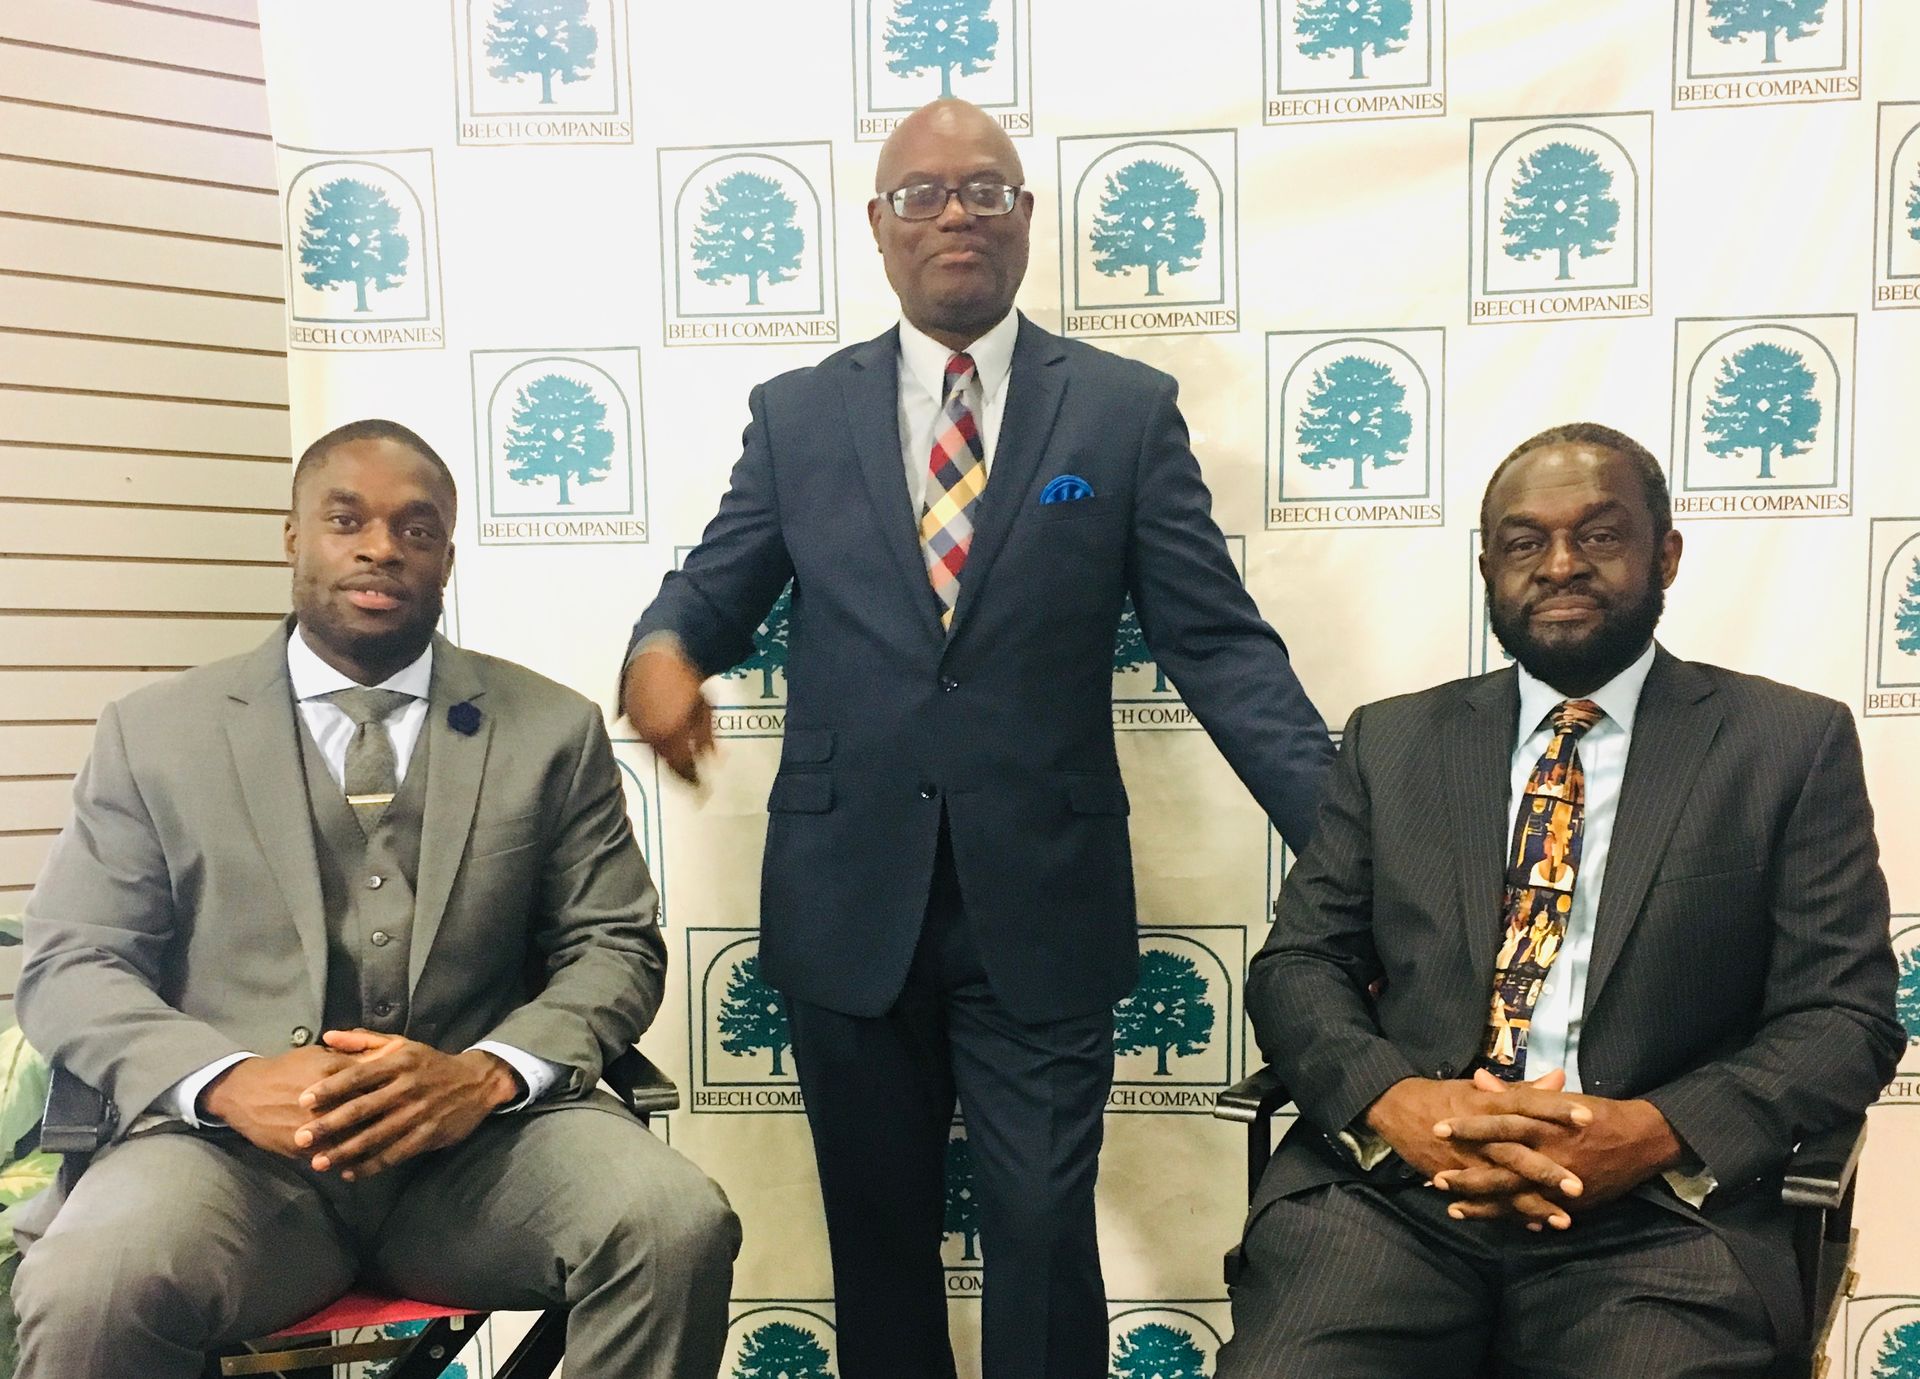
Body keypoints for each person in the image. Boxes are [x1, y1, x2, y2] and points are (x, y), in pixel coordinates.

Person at [621, 98, 1334, 1379]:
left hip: (1043, 900)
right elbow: (709, 593)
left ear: (1023, 220)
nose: (957, 213)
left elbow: (1218, 645)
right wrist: (661, 653)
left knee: (1042, 1226)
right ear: (880, 232)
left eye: (987, 191)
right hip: (847, 901)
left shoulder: (1119, 413)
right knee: (878, 1239)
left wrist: (1353, 849)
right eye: (924, 194)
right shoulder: (795, 417)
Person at [12, 419, 740, 1379]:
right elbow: (72, 962)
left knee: (671, 1225)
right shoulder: (155, 735)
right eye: (346, 518)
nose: (380, 547)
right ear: (292, 536)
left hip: (485, 1158)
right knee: (91, 1284)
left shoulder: (550, 729)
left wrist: (483, 1075)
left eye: (417, 527)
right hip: (229, 1167)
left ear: (447, 557)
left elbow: (615, 946)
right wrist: (226, 1080)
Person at [1218, 421, 1902, 1377]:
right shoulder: (1395, 741)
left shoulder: (1785, 745)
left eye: (1600, 534)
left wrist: (1658, 1131)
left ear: (1664, 554)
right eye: (1526, 541)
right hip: (1395, 1200)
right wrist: (1395, 1100)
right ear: (1489, 565)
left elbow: (1844, 1013)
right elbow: (1301, 965)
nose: (1560, 564)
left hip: (1661, 1219)